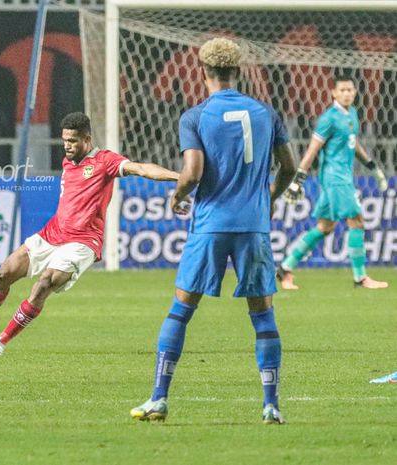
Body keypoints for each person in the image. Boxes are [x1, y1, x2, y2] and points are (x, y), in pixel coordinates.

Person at [129, 38, 296, 424]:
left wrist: (177, 195)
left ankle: (159, 398)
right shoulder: (266, 113)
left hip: (211, 224)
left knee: (182, 309)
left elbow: (193, 172)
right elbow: (288, 168)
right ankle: (271, 404)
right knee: (263, 314)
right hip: (253, 227)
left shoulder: (195, 116)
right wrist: (269, 199)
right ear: (238, 71)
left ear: (202, 71)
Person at [0, 112, 179, 356]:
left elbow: (141, 168)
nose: (67, 146)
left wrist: (179, 176)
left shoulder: (104, 161)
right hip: (52, 233)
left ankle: (0, 342)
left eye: (73, 141)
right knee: (2, 274)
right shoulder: (69, 161)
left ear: (87, 139)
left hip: (82, 242)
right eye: (65, 141)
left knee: (44, 284)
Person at [277, 75, 388, 290]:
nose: (347, 93)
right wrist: (299, 178)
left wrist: (372, 166)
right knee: (356, 221)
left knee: (325, 227)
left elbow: (353, 143)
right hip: (335, 178)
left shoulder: (352, 114)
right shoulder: (329, 118)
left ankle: (285, 268)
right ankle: (360, 277)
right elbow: (313, 149)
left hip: (341, 177)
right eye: (343, 90)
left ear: (355, 92)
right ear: (334, 93)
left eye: (350, 90)